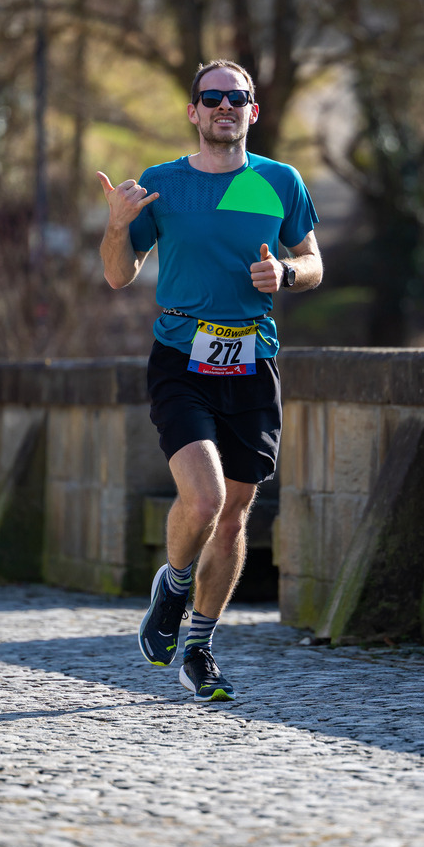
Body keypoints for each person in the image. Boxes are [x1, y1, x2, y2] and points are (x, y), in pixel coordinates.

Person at [97, 59, 322, 702]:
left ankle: (199, 644)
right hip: (181, 359)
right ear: (194, 112)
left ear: (254, 111)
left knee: (234, 519)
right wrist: (117, 225)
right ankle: (171, 587)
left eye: (238, 97)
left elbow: (312, 262)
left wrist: (286, 273)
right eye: (211, 97)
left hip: (252, 363)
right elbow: (118, 274)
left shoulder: (280, 181)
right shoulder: (162, 186)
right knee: (205, 499)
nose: (225, 105)